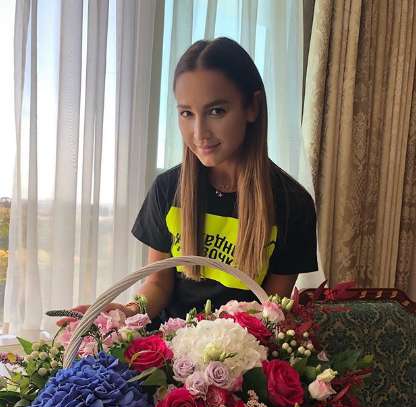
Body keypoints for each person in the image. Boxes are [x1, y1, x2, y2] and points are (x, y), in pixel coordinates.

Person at [58, 37, 317, 327]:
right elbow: (159, 282)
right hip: (163, 345)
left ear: (252, 107)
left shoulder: (292, 204)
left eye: (216, 111)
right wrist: (128, 312)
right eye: (187, 113)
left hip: (243, 346)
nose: (199, 132)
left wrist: (217, 346)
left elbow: (271, 310)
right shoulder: (167, 189)